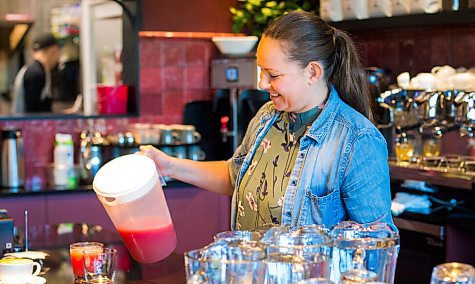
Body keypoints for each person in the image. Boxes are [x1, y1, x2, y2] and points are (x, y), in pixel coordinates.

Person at [141, 11, 394, 231]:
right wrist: (169, 166)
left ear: (313, 73)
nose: (261, 84)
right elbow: (234, 175)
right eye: (261, 71)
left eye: (273, 74)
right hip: (252, 283)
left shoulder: (357, 140)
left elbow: (377, 242)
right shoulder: (267, 117)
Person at [11, 33, 60, 114]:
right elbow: (33, 112)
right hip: (26, 125)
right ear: (53, 51)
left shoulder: (33, 70)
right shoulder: (36, 73)